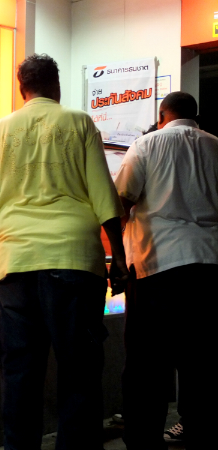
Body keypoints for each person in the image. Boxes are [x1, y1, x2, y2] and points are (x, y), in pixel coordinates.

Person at [0, 54, 128, 450]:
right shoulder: (79, 123)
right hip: (74, 263)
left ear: (22, 87)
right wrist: (119, 256)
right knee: (80, 374)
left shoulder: (1, 130)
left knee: (19, 374)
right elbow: (104, 195)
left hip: (15, 265)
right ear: (56, 85)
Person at [114, 91, 218, 450]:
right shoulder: (215, 146)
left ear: (162, 115)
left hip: (157, 267)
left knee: (147, 363)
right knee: (201, 360)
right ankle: (200, 430)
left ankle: (144, 441)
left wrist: (114, 259)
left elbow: (120, 204)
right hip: (209, 265)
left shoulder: (146, 146)